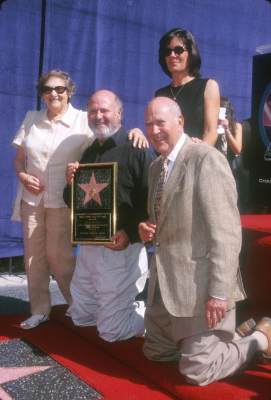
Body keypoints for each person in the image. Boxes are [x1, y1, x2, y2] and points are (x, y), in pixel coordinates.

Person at [138, 96, 271, 386]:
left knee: (197, 371)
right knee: (156, 353)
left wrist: (219, 293)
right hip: (165, 289)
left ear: (180, 122)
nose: (154, 130)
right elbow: (163, 220)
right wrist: (147, 228)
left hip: (199, 290)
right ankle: (230, 338)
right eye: (148, 123)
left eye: (160, 122)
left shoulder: (206, 159)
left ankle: (260, 338)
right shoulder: (155, 167)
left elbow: (226, 233)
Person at [12, 70, 147, 330]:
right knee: (33, 259)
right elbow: (18, 158)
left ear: (69, 91)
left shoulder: (84, 119)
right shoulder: (31, 119)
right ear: (41, 93)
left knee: (59, 257)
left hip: (64, 202)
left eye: (60, 88)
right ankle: (39, 310)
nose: (54, 93)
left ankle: (78, 304)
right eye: (48, 89)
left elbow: (111, 131)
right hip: (33, 199)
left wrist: (137, 132)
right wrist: (22, 175)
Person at [63, 89, 154, 342]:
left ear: (119, 114)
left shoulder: (137, 148)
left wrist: (132, 235)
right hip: (90, 246)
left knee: (112, 332)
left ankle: (152, 316)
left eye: (104, 110)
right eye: (93, 111)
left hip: (121, 249)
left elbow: (153, 202)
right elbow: (71, 202)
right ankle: (116, 309)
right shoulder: (89, 151)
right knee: (81, 317)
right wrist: (71, 184)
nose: (98, 115)